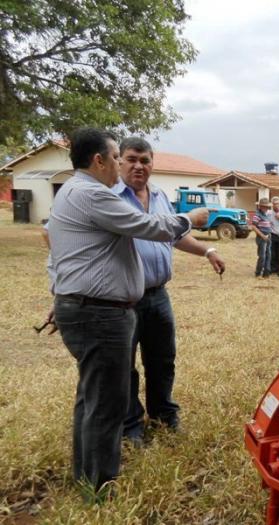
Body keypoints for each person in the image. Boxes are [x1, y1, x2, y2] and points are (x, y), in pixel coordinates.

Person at [48, 128, 209, 496]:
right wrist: (190, 219)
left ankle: (87, 476)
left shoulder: (73, 191)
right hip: (100, 314)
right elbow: (148, 226)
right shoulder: (92, 194)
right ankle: (99, 488)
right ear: (99, 160)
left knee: (93, 397)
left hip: (94, 308)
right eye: (119, 156)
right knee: (106, 403)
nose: (124, 163)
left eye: (137, 159)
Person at [115, 137, 226, 444]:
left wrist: (207, 251)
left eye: (145, 160)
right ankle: (130, 425)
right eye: (132, 159)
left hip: (158, 296)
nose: (139, 165)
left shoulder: (160, 196)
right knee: (125, 366)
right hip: (123, 299)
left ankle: (164, 415)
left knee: (163, 360)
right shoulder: (109, 197)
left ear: (153, 163)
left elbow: (173, 235)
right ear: (119, 161)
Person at [251, 198, 272, 278]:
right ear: (260, 206)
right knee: (262, 256)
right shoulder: (257, 215)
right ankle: (258, 273)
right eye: (263, 206)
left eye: (266, 206)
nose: (265, 208)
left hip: (268, 236)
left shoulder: (267, 214)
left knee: (268, 255)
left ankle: (266, 273)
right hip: (261, 237)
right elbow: (253, 226)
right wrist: (262, 236)